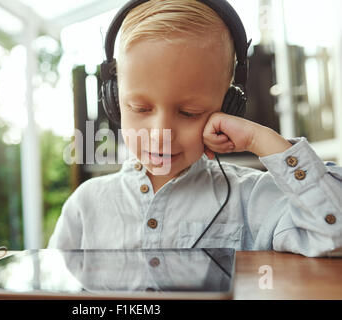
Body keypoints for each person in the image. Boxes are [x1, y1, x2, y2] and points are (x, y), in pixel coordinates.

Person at [48, 0, 342, 257]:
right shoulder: (86, 206)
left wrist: (259, 138)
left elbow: (334, 233)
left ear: (228, 107)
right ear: (113, 100)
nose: (160, 133)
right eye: (140, 109)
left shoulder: (251, 199)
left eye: (189, 113)